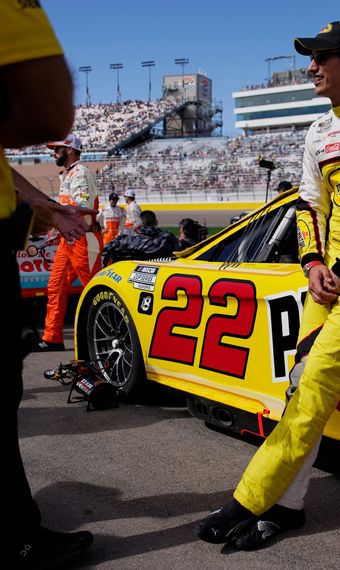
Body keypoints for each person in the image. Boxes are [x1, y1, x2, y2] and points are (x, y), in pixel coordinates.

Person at [195, 21, 340, 551]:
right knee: (302, 382)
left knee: (318, 377)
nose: (310, 67)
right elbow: (308, 206)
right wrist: (311, 265)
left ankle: (251, 497)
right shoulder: (316, 131)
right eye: (311, 58)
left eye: (321, 57)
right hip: (328, 273)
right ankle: (290, 505)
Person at [1, 2, 95, 567]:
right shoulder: (62, 170)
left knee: (83, 287)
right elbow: (45, 108)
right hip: (50, 231)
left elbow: (75, 204)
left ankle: (72, 340)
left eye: (62, 153)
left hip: (69, 232)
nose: (57, 153)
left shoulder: (76, 174)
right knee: (61, 292)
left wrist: (46, 210)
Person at [35, 133, 103, 352]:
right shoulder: (68, 175)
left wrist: (50, 212)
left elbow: (78, 208)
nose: (53, 153)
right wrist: (58, 229)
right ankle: (52, 337)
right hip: (69, 240)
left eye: (57, 149)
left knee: (96, 290)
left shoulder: (80, 173)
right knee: (55, 287)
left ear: (70, 150)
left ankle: (109, 335)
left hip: (85, 240)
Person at [102, 210, 179, 265]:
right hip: (159, 275)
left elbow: (104, 250)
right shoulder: (167, 237)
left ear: (141, 224)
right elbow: (180, 253)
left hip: (128, 276)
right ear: (156, 223)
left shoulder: (126, 240)